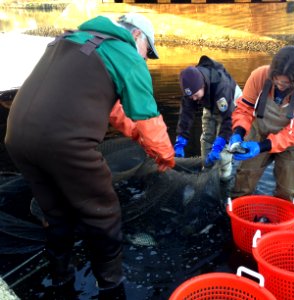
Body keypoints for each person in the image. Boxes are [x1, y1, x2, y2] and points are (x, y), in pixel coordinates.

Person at [5, 12, 175, 292]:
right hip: (64, 143)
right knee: (103, 214)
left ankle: (61, 279)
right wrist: (165, 156)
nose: (145, 59)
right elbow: (148, 120)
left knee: (56, 212)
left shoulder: (70, 39)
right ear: (136, 37)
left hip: (17, 137)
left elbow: (118, 113)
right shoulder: (126, 53)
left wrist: (143, 141)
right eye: (148, 52)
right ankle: (111, 286)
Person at [228, 45, 294, 201]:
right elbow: (244, 109)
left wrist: (261, 147)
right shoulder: (259, 75)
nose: (279, 85)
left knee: (288, 190)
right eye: (276, 80)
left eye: (285, 83)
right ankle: (237, 207)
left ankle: (284, 217)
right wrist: (238, 132)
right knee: (244, 178)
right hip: (261, 129)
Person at [174, 55, 242, 181]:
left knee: (223, 149)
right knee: (206, 137)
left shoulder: (222, 86)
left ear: (203, 85)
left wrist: (220, 144)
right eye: (191, 97)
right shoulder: (191, 89)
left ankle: (225, 177)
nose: (193, 99)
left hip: (231, 104)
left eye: (195, 95)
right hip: (209, 103)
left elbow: (228, 120)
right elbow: (186, 115)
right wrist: (181, 139)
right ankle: (207, 169)